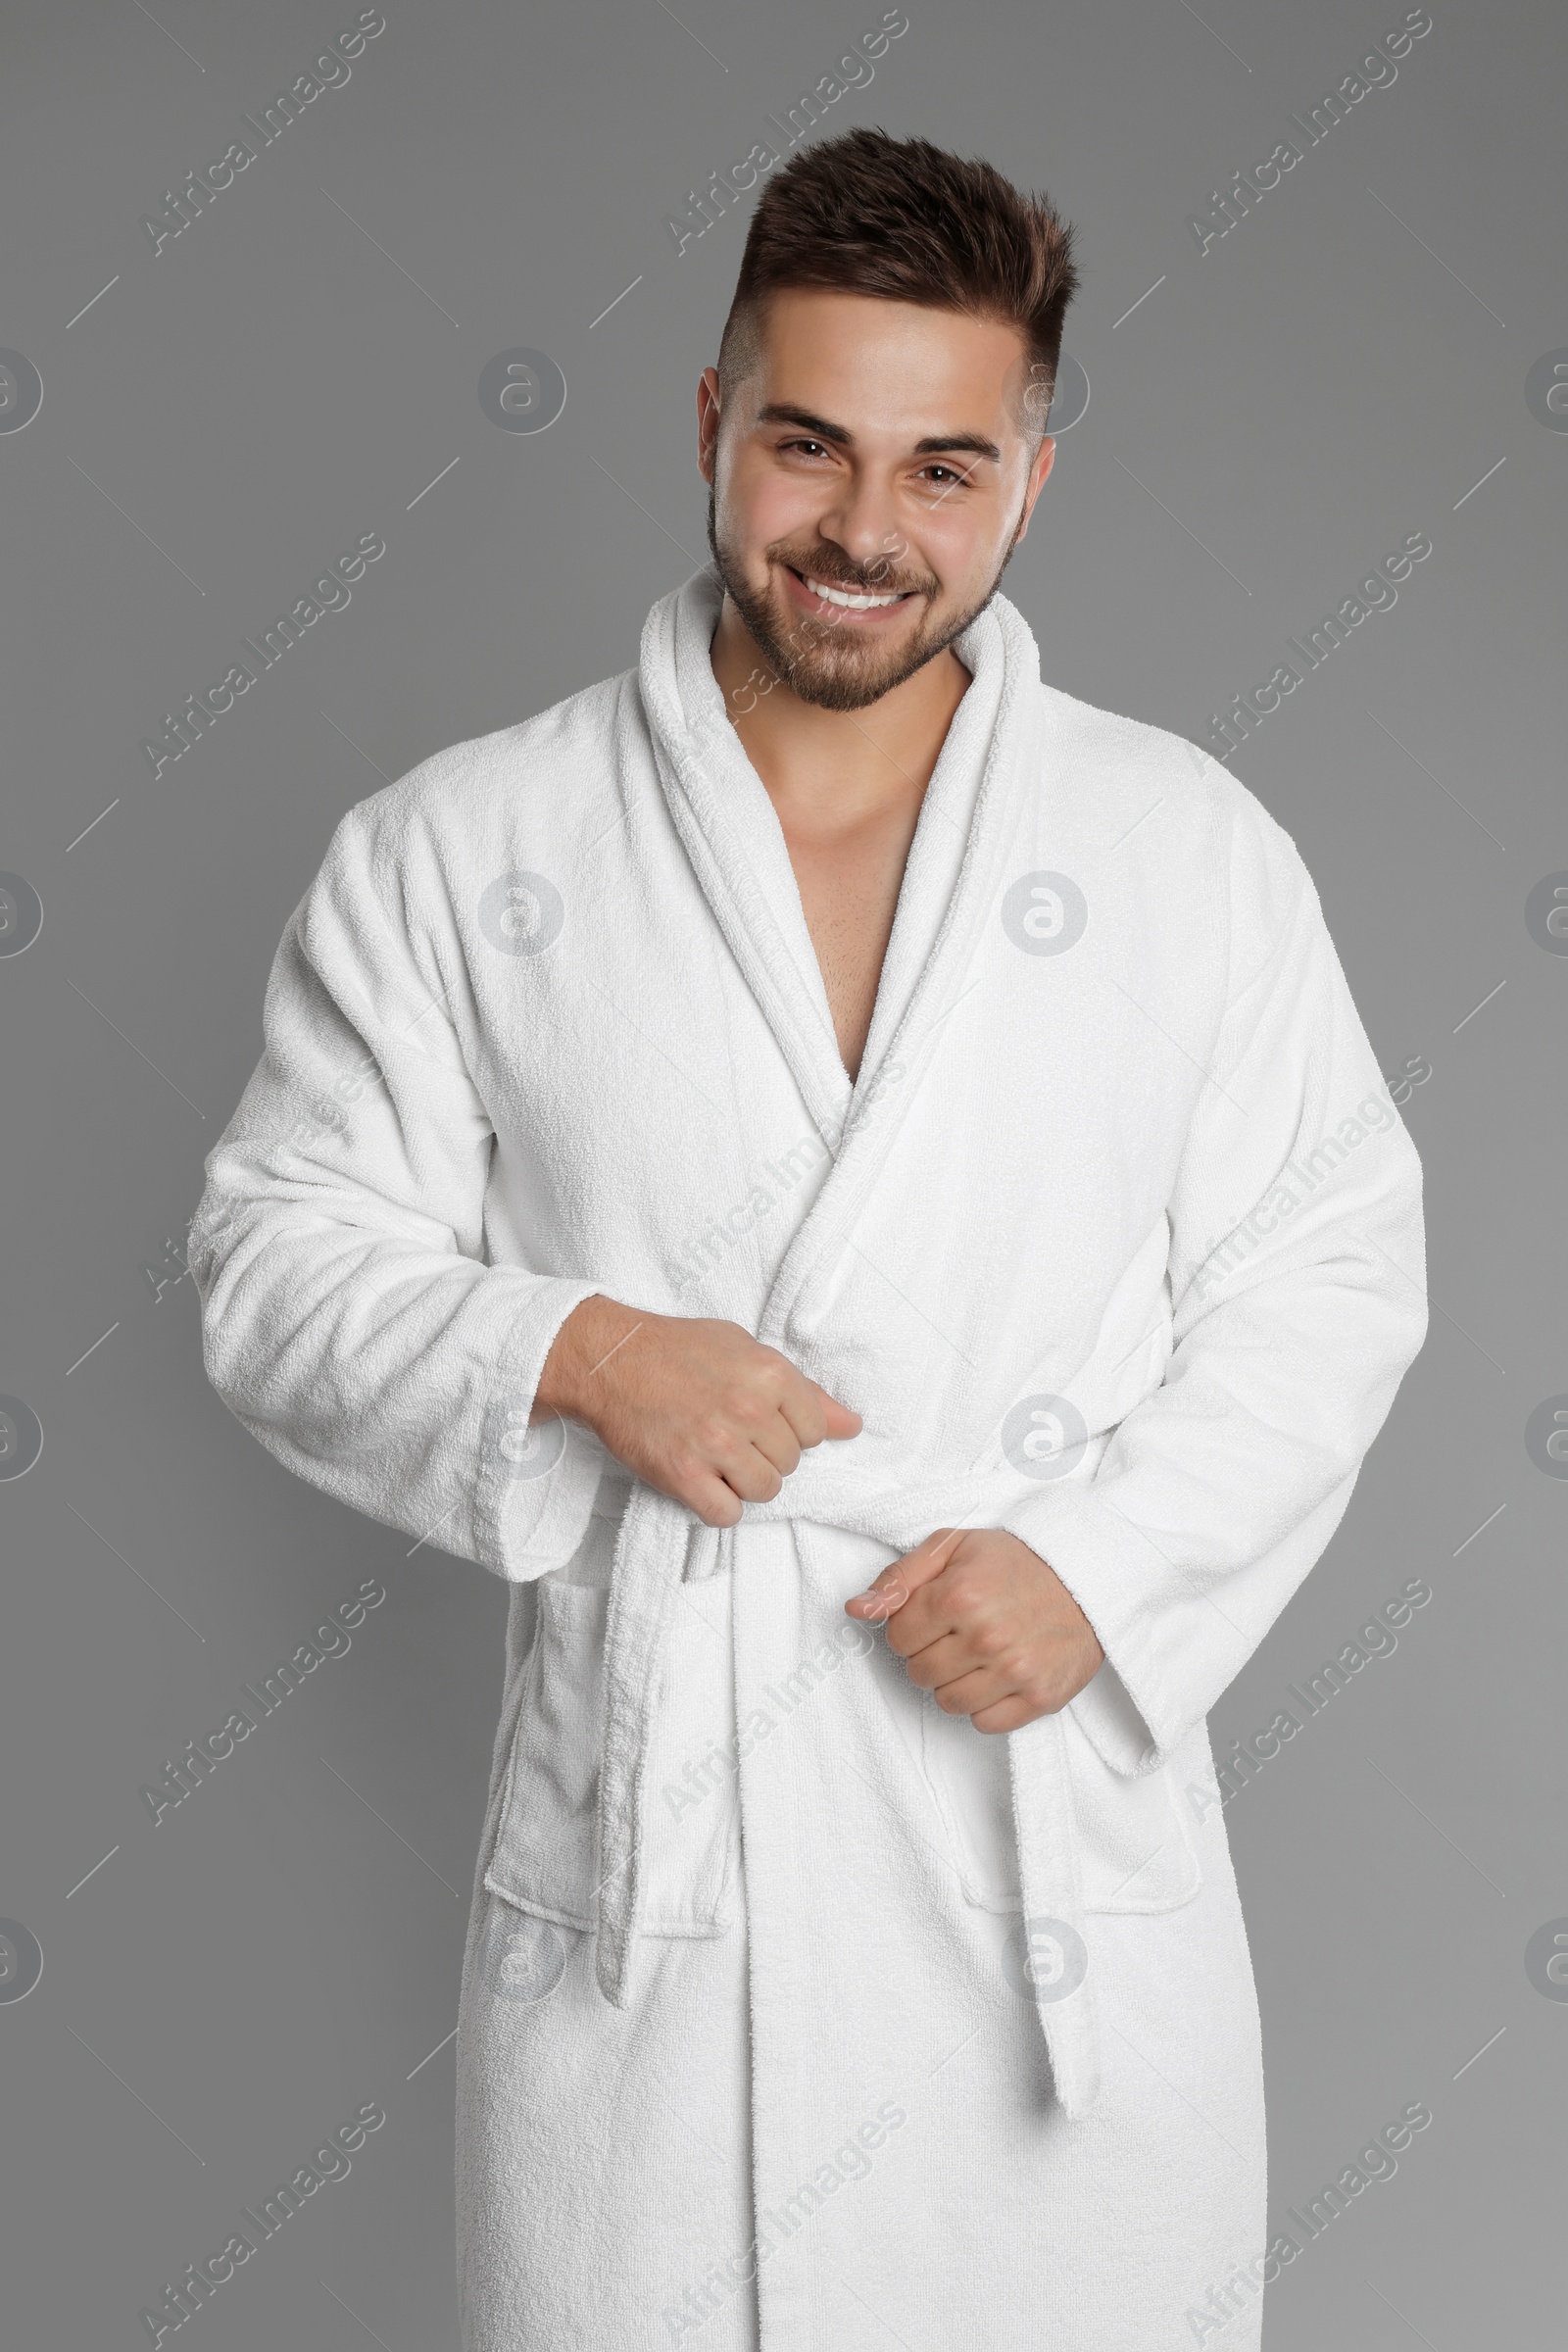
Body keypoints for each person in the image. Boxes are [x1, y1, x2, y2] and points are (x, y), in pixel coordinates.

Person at [188, 126, 1428, 2351]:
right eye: (807, 446)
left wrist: (1103, 1571)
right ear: (707, 424)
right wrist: (573, 1351)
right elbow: (273, 1263)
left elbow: (1329, 1268)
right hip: (653, 1900)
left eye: (943, 469)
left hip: (1038, 1855)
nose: (864, 532)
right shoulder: (467, 846)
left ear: (1028, 483)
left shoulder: (1180, 854)